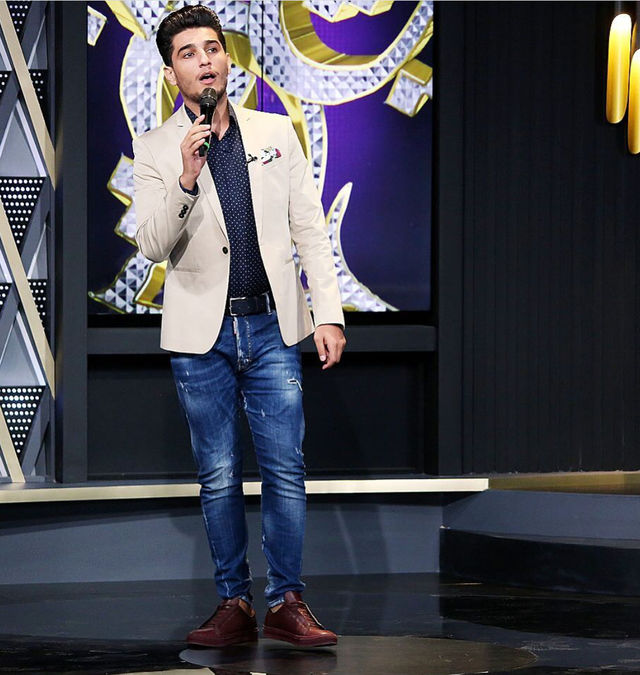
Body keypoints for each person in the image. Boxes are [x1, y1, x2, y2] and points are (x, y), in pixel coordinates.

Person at [133, 5, 346, 649]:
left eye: (211, 48)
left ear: (227, 60)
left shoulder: (275, 132)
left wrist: (328, 313)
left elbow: (310, 229)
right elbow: (151, 244)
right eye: (188, 54)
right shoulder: (156, 149)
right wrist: (186, 179)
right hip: (202, 336)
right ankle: (234, 602)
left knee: (285, 470)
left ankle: (287, 601)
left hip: (272, 326)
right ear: (172, 74)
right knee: (219, 474)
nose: (204, 62)